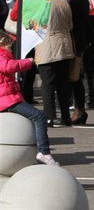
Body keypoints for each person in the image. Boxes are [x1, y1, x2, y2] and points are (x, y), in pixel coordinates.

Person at [0, 31, 59, 165]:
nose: (11, 50)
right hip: (7, 100)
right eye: (9, 47)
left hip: (7, 98)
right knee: (39, 116)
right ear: (2, 43)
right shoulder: (1, 55)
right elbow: (8, 67)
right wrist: (28, 62)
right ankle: (44, 152)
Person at [35, 0, 74, 127]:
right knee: (63, 83)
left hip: (44, 45)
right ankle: (66, 116)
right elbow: (70, 25)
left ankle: (49, 117)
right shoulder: (63, 1)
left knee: (47, 84)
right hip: (63, 45)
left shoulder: (38, 2)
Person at [62, 0, 91, 125]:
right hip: (80, 42)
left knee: (73, 77)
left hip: (73, 43)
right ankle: (79, 110)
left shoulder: (73, 2)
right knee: (75, 77)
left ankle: (78, 110)